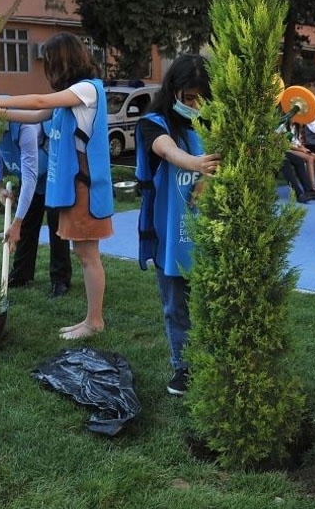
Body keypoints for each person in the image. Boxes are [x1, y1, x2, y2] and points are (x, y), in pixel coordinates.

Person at [0, 32, 113, 340]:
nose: (48, 69)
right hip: (75, 186)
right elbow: (35, 114)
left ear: (64, 60)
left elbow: (40, 101)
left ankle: (94, 321)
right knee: (83, 254)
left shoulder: (87, 90)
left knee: (88, 255)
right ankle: (90, 318)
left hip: (85, 187)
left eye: (50, 62)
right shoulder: (72, 94)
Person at [135, 54, 220, 395]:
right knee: (176, 305)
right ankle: (183, 367)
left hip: (210, 232)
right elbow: (167, 151)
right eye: (188, 98)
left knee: (213, 302)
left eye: (202, 98)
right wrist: (197, 163)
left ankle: (214, 360)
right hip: (170, 232)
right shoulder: (153, 123)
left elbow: (228, 158)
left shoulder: (215, 122)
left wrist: (208, 179)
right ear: (173, 91)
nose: (195, 105)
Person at [0, 90, 72, 297]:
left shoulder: (24, 125)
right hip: (31, 174)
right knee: (28, 224)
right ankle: (22, 273)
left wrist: (16, 222)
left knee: (55, 224)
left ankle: (60, 280)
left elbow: (30, 176)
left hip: (51, 172)